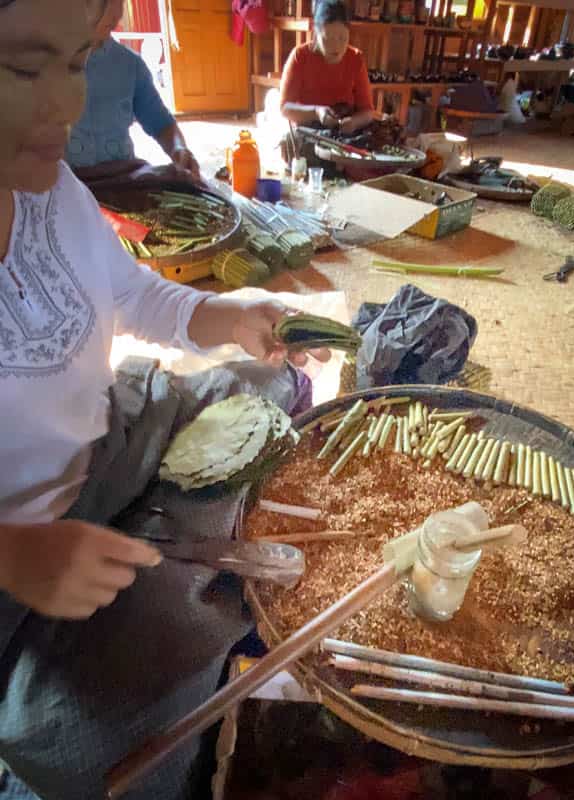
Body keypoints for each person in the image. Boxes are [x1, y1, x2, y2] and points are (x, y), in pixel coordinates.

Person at [0, 2, 328, 799]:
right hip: (26, 564)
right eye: (22, 67)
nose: (68, 105)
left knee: (276, 383)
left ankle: (162, 535)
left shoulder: (48, 189)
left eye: (75, 63)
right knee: (93, 766)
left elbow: (137, 296)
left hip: (116, 433)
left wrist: (227, 314)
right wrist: (11, 554)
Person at [66, 0, 201, 182]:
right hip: (67, 183)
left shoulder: (130, 65)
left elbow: (161, 122)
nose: (117, 14)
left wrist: (179, 148)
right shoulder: (46, 64)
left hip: (121, 178)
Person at [279, 0, 374, 136]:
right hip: (309, 130)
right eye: (328, 38)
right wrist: (316, 112)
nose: (336, 47)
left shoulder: (355, 58)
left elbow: (368, 112)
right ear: (316, 32)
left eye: (342, 38)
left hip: (345, 131)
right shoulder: (301, 56)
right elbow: (284, 108)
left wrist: (354, 122)